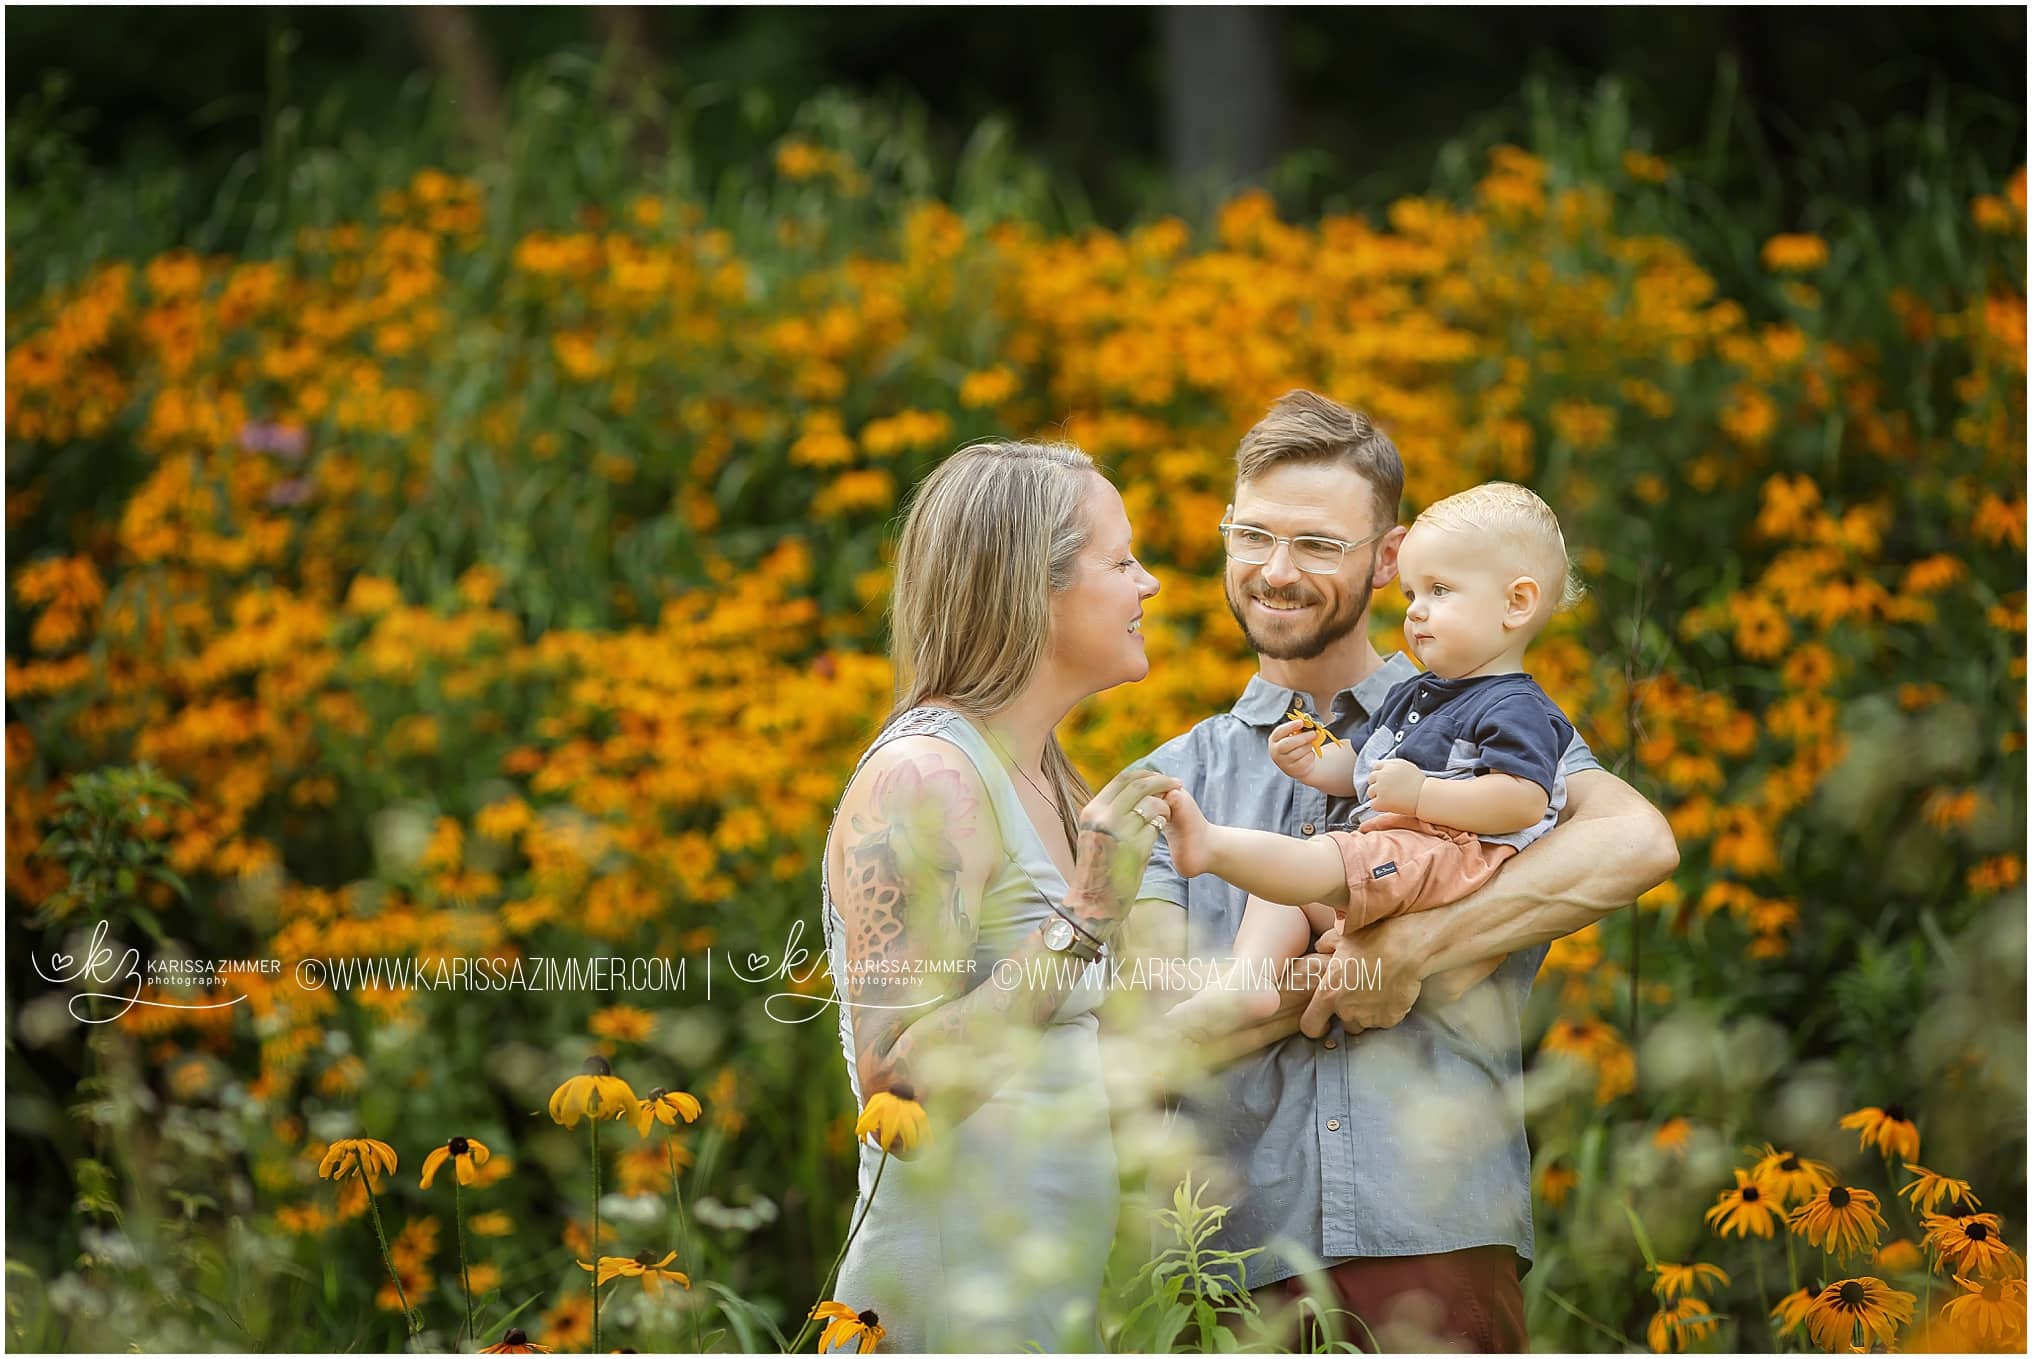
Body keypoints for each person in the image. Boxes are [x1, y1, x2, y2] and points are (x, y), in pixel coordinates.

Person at [1122, 391, 1679, 1352]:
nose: (1276, 569)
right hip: (1230, 1262)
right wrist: (1317, 982)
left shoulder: (1482, 715)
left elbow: (1638, 842)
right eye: (1251, 534)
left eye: (1318, 544)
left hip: (1437, 1238)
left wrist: (1419, 941)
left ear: (1390, 557)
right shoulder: (1176, 776)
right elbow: (1146, 1034)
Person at [819, 439, 1179, 1352]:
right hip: (944, 1306)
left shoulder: (1051, 776)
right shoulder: (924, 780)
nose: (1152, 585)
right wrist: (1087, 914)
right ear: (1036, 585)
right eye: (1122, 560)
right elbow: (897, 1084)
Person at [1163, 482, 1587, 1038]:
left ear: (1516, 603)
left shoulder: (1517, 707)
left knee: (1315, 859)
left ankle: (1211, 846)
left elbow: (1523, 800)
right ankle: (1249, 980)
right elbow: (1368, 767)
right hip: (1398, 858)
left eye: (1439, 591)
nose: (1416, 612)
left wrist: (1422, 796)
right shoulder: (1419, 693)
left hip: (1448, 857)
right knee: (1285, 892)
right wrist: (1316, 766)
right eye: (1412, 595)